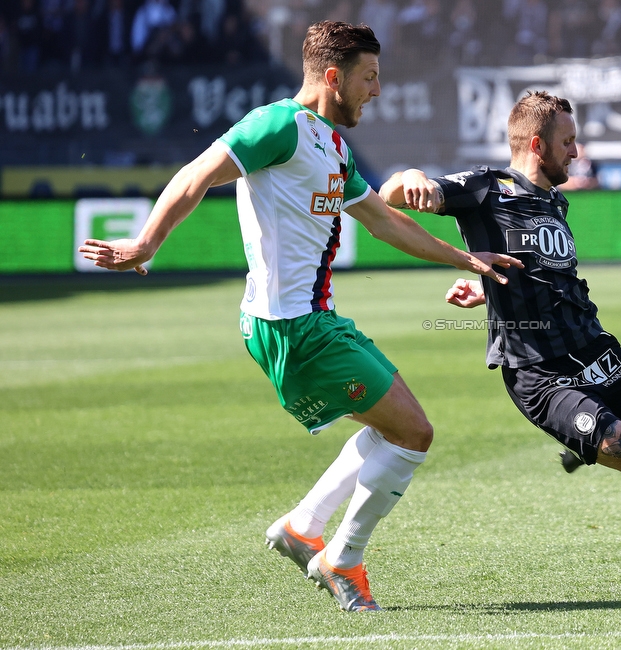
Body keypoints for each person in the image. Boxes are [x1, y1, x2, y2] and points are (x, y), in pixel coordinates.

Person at [78, 20, 521, 613]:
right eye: (369, 77)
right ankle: (340, 560)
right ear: (333, 76)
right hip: (292, 327)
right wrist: (146, 244)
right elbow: (195, 175)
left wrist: (465, 258)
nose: (378, 90)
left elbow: (386, 222)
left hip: (314, 322)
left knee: (395, 427)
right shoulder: (277, 125)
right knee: (414, 433)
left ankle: (303, 528)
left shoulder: (334, 147)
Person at [378, 91, 621, 598]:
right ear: (536, 143)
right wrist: (411, 177)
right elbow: (391, 193)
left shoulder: (555, 199)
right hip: (539, 373)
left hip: (595, 350)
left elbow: (542, 278)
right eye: (568, 141)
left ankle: (585, 444)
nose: (576, 151)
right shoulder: (485, 189)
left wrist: (485, 289)